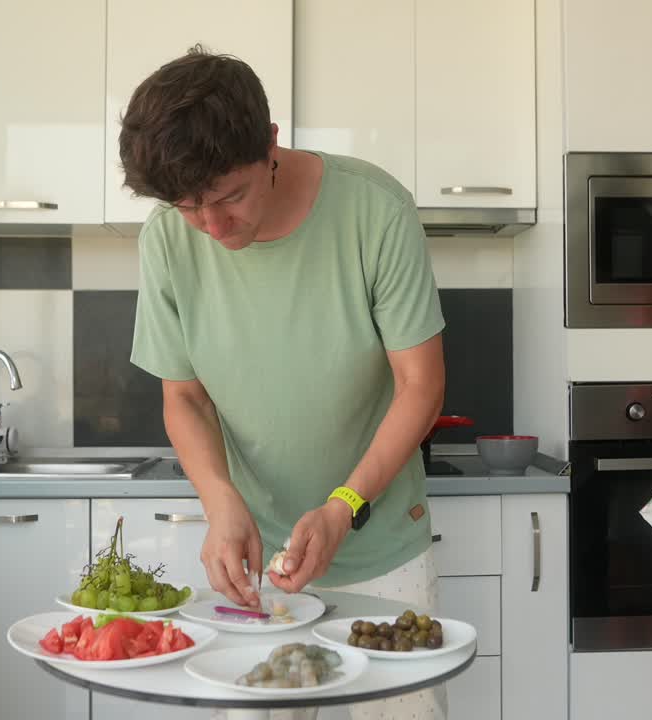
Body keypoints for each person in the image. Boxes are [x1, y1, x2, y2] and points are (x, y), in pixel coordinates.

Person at [123, 46, 447, 719]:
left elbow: (421, 384)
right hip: (252, 571)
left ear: (270, 145)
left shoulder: (375, 211)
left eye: (230, 196)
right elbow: (183, 396)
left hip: (381, 547)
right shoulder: (165, 240)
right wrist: (219, 503)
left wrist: (343, 507)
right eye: (189, 207)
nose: (212, 227)